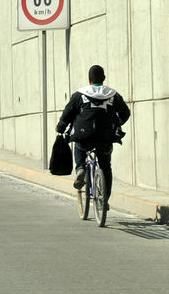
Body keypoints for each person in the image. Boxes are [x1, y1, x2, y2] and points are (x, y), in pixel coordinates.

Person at [55, 65, 130, 204]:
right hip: (106, 137)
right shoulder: (113, 95)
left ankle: (80, 168)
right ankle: (104, 200)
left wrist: (60, 127)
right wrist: (116, 124)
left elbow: (67, 114)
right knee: (106, 167)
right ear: (104, 78)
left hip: (84, 137)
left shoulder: (79, 95)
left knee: (78, 145)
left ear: (89, 79)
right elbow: (126, 113)